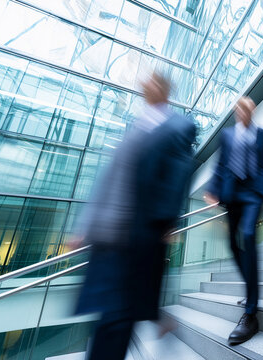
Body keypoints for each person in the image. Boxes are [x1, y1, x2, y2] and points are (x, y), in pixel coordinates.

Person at [72, 72, 196, 360]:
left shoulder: (178, 124)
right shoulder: (134, 127)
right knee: (109, 315)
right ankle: (156, 317)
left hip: (138, 233)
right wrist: (86, 227)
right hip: (109, 235)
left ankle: (154, 316)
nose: (146, 84)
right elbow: (110, 177)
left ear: (164, 90)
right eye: (145, 81)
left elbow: (178, 175)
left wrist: (168, 223)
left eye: (154, 81)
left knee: (115, 318)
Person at [205, 96, 263, 346]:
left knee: (247, 235)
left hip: (254, 193)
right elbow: (221, 165)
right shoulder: (227, 136)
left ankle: (251, 311)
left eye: (246, 107)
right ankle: (250, 285)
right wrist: (212, 188)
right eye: (238, 108)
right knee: (231, 244)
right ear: (235, 112)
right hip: (232, 192)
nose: (242, 111)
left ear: (252, 110)